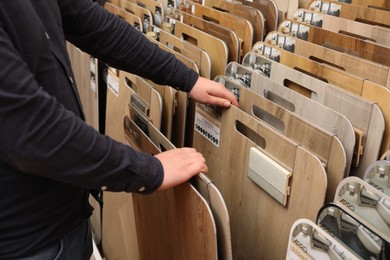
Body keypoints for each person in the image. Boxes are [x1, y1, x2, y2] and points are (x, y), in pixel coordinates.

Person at [0, 0, 238, 259]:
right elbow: (34, 131)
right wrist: (148, 171)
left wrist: (187, 78)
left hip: (66, 218)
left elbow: (94, 25)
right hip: (28, 242)